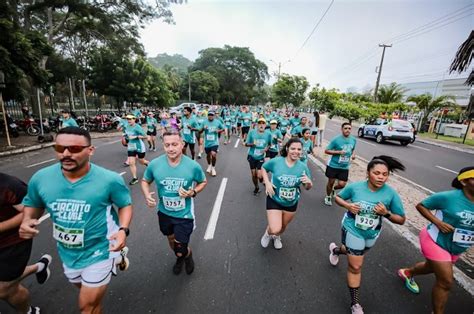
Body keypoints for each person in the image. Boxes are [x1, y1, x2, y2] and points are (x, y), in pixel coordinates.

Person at [19, 127, 133, 314]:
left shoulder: (109, 180)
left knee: (86, 306)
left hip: (102, 249)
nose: (65, 154)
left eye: (74, 149)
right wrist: (27, 220)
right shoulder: (41, 178)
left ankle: (116, 257)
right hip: (68, 253)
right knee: (87, 297)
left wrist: (123, 230)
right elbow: (34, 203)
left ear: (90, 150)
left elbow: (125, 205)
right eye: (60, 148)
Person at [328, 156, 406, 314]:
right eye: (376, 173)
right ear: (368, 172)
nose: (381, 177)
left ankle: (336, 250)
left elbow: (401, 219)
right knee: (356, 266)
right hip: (352, 229)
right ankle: (355, 304)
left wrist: (386, 213)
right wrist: (349, 206)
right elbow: (338, 197)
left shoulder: (390, 194)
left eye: (385, 174)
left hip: (372, 234)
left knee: (354, 252)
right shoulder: (356, 187)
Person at [397, 166, 474, 314]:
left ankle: (408, 272)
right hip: (435, 240)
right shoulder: (448, 197)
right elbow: (421, 206)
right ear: (464, 182)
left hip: (457, 246)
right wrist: (438, 223)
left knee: (430, 267)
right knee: (445, 281)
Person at [141, 131, 207, 275]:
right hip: (164, 212)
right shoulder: (155, 164)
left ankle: (185, 256)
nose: (171, 148)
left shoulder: (192, 166)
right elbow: (145, 181)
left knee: (180, 248)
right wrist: (147, 195)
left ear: (182, 144)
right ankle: (181, 255)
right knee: (171, 240)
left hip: (184, 215)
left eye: (174, 144)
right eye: (167, 145)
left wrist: (193, 192)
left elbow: (203, 182)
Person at [0, 173, 52, 314]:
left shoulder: (9, 185)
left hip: (11, 243)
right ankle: (39, 267)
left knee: (4, 288)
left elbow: (34, 209)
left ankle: (28, 311)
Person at [260, 138, 313, 250]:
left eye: (299, 149)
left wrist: (309, 183)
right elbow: (264, 168)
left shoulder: (303, 167)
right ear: (287, 148)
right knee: (275, 228)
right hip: (274, 198)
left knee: (283, 226)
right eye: (293, 148)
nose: (296, 151)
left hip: (291, 202)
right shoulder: (277, 161)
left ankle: (277, 237)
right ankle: (268, 233)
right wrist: (267, 182)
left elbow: (307, 187)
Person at [324, 122, 357, 206]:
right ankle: (328, 196)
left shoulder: (353, 139)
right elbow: (327, 150)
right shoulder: (336, 139)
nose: (347, 130)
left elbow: (352, 149)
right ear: (342, 129)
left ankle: (334, 189)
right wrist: (338, 152)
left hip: (345, 166)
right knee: (330, 182)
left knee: (342, 184)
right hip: (333, 165)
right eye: (345, 128)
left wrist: (353, 155)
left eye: (349, 128)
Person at [245, 118, 272, 195]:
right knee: (254, 174)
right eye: (259, 123)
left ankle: (261, 179)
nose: (261, 125)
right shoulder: (252, 132)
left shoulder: (268, 134)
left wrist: (266, 149)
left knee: (259, 175)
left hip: (261, 156)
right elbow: (246, 144)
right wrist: (252, 144)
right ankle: (256, 187)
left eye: (263, 123)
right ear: (257, 125)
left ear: (265, 125)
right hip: (252, 155)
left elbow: (270, 144)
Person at [124, 114, 149, 185]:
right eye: (128, 119)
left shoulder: (137, 127)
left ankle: (148, 164)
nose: (129, 120)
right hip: (131, 146)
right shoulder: (127, 126)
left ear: (134, 119)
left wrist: (136, 137)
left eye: (130, 119)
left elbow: (145, 136)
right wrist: (126, 137)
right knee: (131, 162)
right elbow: (127, 134)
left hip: (139, 146)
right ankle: (135, 178)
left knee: (141, 161)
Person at [200, 111, 225, 177]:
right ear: (207, 115)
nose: (210, 116)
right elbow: (199, 131)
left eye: (212, 115)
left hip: (215, 142)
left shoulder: (217, 122)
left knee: (213, 154)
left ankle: (213, 168)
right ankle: (209, 165)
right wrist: (203, 128)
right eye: (209, 115)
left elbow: (223, 129)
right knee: (208, 155)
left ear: (214, 116)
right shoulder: (204, 122)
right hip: (207, 143)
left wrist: (218, 131)